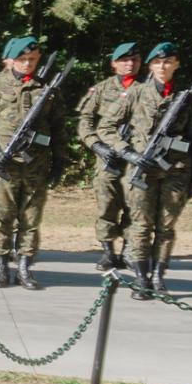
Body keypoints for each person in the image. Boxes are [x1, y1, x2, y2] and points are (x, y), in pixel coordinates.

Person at [0, 36, 67, 290]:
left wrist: (59, 163)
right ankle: (1, 266)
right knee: (3, 217)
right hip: (5, 166)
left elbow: (59, 129)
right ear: (11, 59)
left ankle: (24, 266)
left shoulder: (47, 89)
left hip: (36, 166)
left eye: (32, 59)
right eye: (22, 59)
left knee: (31, 219)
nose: (27, 63)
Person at [109, 43, 192, 298]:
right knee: (141, 225)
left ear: (177, 64)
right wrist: (129, 154)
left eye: (169, 62)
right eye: (158, 63)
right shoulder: (136, 94)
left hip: (176, 171)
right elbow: (107, 127)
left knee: (166, 227)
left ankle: (159, 275)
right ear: (150, 66)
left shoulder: (185, 97)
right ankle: (141, 277)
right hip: (142, 171)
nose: (163, 67)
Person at [75, 43, 141, 270]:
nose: (129, 64)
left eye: (134, 60)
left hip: (135, 159)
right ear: (114, 63)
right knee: (107, 206)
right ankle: (107, 252)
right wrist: (97, 146)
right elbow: (85, 122)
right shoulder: (101, 90)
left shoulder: (147, 90)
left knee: (135, 206)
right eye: (124, 60)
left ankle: (128, 251)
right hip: (108, 159)